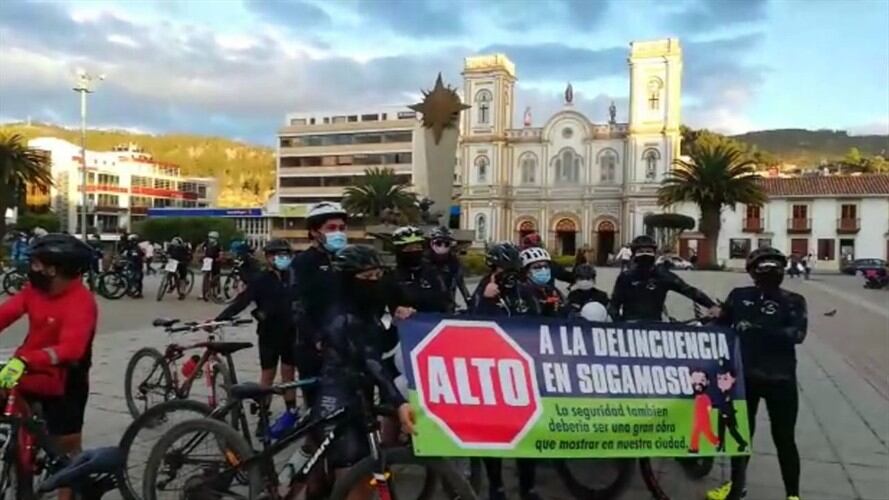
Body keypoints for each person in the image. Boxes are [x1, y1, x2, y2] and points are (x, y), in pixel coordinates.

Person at [0, 234, 98, 500]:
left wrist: (29, 360)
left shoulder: (81, 302)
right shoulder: (34, 291)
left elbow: (71, 348)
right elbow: (5, 314)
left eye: (37, 264)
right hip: (24, 368)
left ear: (56, 268)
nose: (32, 268)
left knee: (66, 452)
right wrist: (24, 362)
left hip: (65, 378)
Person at [707, 247, 807, 500]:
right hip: (745, 379)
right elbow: (720, 327)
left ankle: (793, 495)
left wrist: (755, 328)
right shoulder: (739, 296)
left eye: (775, 267)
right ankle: (736, 487)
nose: (770, 272)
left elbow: (797, 334)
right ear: (752, 272)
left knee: (784, 439)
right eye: (764, 267)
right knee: (741, 437)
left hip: (780, 380)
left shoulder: (793, 300)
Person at [316, 245, 414, 500]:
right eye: (367, 277)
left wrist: (401, 318)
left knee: (361, 479)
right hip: (337, 395)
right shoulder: (342, 316)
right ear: (349, 280)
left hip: (361, 394)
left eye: (378, 276)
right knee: (354, 484)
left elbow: (383, 345)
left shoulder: (368, 308)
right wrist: (398, 401)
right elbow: (371, 360)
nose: (375, 282)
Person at [470, 242, 541, 500]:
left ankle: (528, 486)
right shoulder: (483, 289)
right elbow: (468, 324)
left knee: (528, 431)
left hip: (523, 372)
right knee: (492, 434)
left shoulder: (525, 291)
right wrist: (484, 300)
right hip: (492, 373)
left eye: (513, 269)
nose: (508, 274)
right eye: (503, 269)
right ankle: (496, 485)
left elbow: (541, 322)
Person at [215, 239, 300, 438]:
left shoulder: (293, 277)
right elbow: (242, 301)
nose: (282, 259)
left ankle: (291, 412)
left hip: (292, 331)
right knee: (267, 376)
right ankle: (263, 416)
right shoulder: (260, 279)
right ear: (269, 258)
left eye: (286, 256)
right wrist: (221, 318)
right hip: (269, 333)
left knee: (289, 374)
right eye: (277, 256)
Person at [290, 201, 350, 407]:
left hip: (345, 343)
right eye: (331, 228)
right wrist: (316, 337)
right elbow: (297, 305)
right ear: (315, 232)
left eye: (342, 228)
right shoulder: (303, 262)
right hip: (314, 346)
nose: (339, 233)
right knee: (317, 407)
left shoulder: (348, 260)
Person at [608, 235, 719, 321]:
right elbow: (614, 305)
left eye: (649, 252)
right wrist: (618, 324)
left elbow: (688, 290)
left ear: (655, 254)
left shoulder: (662, 275)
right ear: (633, 254)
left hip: (657, 326)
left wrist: (712, 306)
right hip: (630, 325)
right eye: (641, 252)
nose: (645, 255)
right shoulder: (625, 277)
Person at [425, 226, 471, 311]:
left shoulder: (454, 262)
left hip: (448, 308)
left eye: (446, 243)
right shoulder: (423, 260)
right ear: (432, 243)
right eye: (438, 243)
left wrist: (470, 304)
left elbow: (461, 284)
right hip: (426, 308)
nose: (442, 246)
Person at [520, 246, 566, 317]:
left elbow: (567, 309)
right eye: (537, 267)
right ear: (527, 272)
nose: (543, 270)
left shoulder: (553, 290)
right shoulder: (521, 292)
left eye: (546, 266)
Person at [199, 230, 223, 301]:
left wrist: (219, 258)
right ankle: (204, 292)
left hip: (215, 261)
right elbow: (201, 249)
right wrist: (201, 256)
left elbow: (221, 253)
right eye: (210, 237)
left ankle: (218, 293)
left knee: (216, 276)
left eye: (213, 237)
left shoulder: (218, 244)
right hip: (207, 261)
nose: (211, 238)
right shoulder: (206, 243)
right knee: (205, 276)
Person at [121, 233, 145, 298]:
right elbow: (124, 252)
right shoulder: (129, 247)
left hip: (137, 264)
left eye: (132, 241)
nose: (131, 242)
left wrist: (135, 255)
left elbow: (142, 254)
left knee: (138, 278)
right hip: (131, 264)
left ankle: (139, 292)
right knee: (130, 277)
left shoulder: (137, 248)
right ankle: (130, 289)